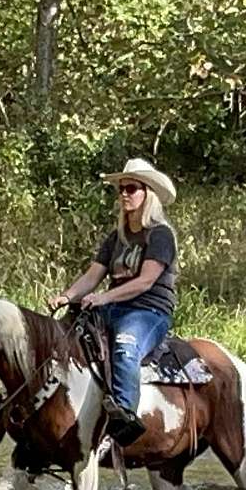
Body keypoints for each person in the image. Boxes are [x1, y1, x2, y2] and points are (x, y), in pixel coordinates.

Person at [49, 158, 177, 447]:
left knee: (125, 345)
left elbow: (146, 281)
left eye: (131, 188)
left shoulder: (160, 235)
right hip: (113, 306)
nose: (124, 194)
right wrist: (68, 296)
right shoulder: (116, 237)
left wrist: (103, 297)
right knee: (63, 335)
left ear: (148, 194)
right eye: (121, 189)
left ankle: (125, 414)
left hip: (149, 310)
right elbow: (93, 276)